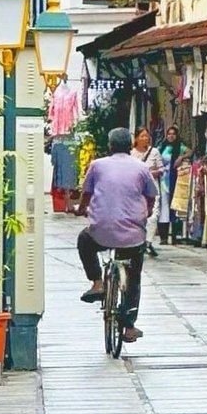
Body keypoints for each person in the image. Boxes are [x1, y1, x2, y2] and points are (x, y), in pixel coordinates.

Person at [75, 128, 157, 344]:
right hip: (133, 235)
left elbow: (87, 194)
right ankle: (129, 326)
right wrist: (146, 212)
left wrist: (81, 209)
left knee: (84, 240)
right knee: (134, 276)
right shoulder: (141, 168)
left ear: (110, 146)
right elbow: (151, 197)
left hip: (101, 231)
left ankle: (97, 282)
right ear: (131, 145)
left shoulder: (97, 166)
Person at [131, 127, 164, 257]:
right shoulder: (131, 153)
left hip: (152, 186)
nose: (145, 138)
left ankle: (148, 242)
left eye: (147, 136)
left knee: (154, 214)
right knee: (139, 214)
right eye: (142, 136)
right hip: (137, 188)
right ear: (136, 138)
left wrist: (151, 173)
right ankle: (138, 240)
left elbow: (161, 169)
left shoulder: (154, 152)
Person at [156, 126, 188, 244]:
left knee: (174, 206)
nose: (171, 136)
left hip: (175, 179)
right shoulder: (162, 147)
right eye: (169, 134)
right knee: (163, 206)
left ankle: (174, 236)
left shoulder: (180, 147)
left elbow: (190, 151)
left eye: (173, 134)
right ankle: (163, 237)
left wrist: (181, 157)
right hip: (163, 180)